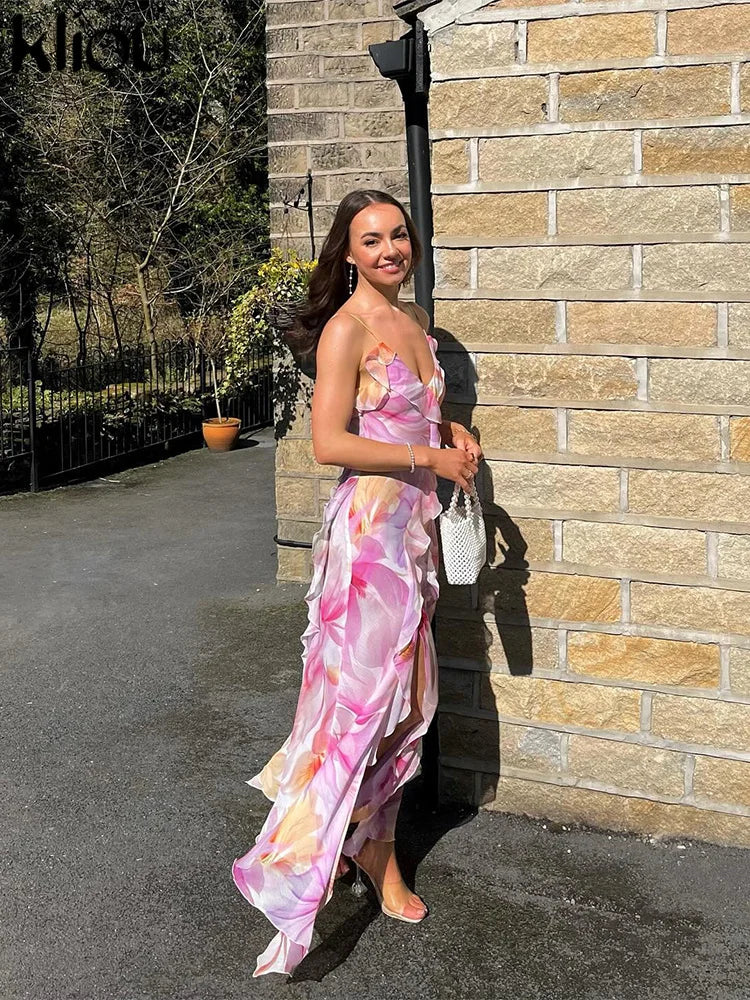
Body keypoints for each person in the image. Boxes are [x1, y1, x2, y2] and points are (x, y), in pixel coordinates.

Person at [231, 189, 483, 977]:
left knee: (405, 705)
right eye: (371, 240)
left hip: (414, 536)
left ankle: (370, 842)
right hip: (370, 541)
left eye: (398, 235)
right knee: (359, 709)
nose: (389, 250)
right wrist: (428, 457)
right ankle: (323, 856)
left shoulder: (416, 324)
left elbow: (409, 413)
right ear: (347, 252)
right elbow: (328, 443)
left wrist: (450, 429)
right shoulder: (346, 331)